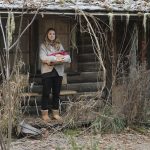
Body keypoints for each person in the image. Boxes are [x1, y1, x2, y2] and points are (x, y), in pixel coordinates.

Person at [39, 28, 71, 122]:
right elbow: (43, 58)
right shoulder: (43, 46)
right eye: (50, 34)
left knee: (56, 93)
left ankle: (55, 114)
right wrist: (56, 57)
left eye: (53, 34)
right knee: (46, 93)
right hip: (47, 72)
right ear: (47, 35)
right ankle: (44, 114)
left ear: (55, 35)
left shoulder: (59, 46)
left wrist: (53, 60)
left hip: (58, 73)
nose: (52, 35)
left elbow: (67, 58)